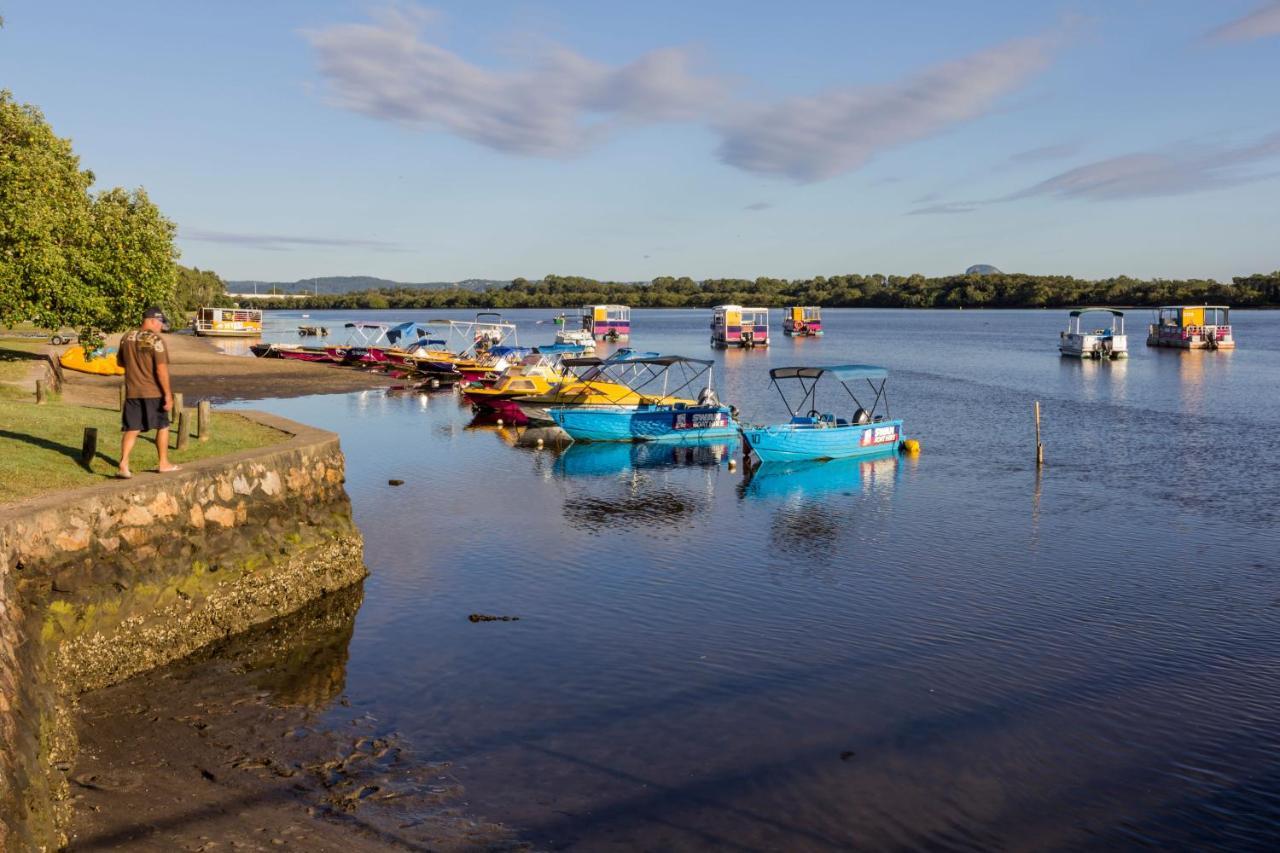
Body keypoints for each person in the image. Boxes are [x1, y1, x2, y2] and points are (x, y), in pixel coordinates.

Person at [117, 306, 180, 478]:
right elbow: (161, 370)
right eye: (160, 323)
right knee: (163, 426)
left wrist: (137, 367)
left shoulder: (126, 337)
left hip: (132, 391)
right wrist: (167, 394)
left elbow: (121, 363)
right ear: (152, 320)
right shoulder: (155, 340)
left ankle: (124, 463)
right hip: (153, 391)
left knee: (132, 428)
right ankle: (164, 463)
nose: (161, 327)